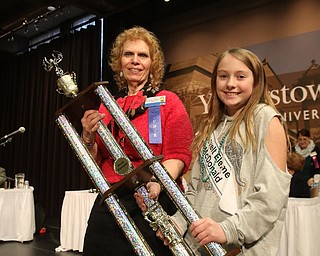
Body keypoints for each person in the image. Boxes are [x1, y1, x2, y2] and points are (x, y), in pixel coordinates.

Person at [156, 48, 292, 255]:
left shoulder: (265, 119)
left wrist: (226, 229)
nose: (230, 84)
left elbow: (270, 197)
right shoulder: (211, 127)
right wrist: (178, 221)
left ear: (256, 82)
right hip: (198, 247)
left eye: (240, 76)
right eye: (223, 76)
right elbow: (195, 190)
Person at [81, 26, 193, 255]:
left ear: (153, 63)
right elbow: (98, 160)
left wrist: (157, 185)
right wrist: (88, 138)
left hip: (154, 197)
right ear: (119, 62)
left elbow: (179, 156)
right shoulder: (106, 105)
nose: (135, 61)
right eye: (128, 54)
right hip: (112, 199)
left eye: (142, 55)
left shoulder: (168, 102)